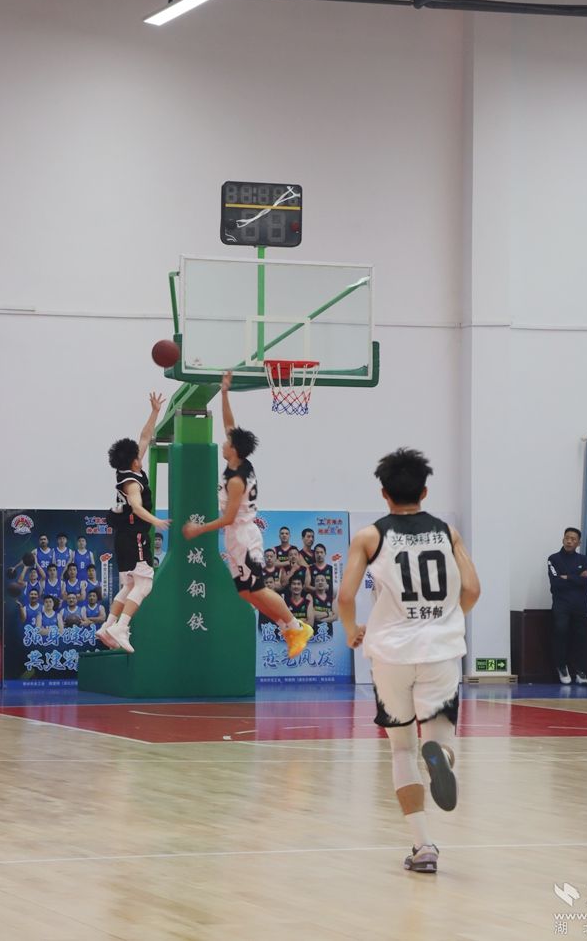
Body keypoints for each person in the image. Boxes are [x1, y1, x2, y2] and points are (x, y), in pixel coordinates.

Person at [338, 447, 480, 875]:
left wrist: (352, 630)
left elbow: (345, 596)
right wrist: (447, 620)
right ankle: (442, 757)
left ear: (384, 493)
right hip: (440, 652)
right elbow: (472, 590)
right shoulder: (447, 532)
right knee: (439, 739)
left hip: (391, 654)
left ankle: (423, 848)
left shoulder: (370, 536)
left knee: (401, 749)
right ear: (425, 491)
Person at [183, 371, 313, 660]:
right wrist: (224, 392)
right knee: (244, 592)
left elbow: (228, 519)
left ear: (234, 450)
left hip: (242, 535)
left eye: (227, 443)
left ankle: (295, 626)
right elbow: (230, 424)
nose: (224, 442)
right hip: (236, 537)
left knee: (257, 588)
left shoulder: (236, 480)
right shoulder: (238, 461)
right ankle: (287, 627)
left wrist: (198, 529)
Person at [96, 392, 171, 653]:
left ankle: (107, 626)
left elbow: (145, 436)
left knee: (129, 585)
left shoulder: (127, 469)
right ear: (134, 461)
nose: (141, 454)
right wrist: (156, 520)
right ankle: (122, 627)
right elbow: (137, 507)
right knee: (145, 584)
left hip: (123, 537)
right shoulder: (132, 482)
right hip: (134, 537)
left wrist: (155, 412)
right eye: (138, 455)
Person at [548, 527, 587, 685]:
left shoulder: (583, 560)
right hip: (561, 604)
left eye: (573, 539)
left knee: (581, 636)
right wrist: (577, 578)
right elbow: (555, 583)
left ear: (578, 543)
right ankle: (561, 666)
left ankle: (580, 669)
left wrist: (567, 577)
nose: (569, 541)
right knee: (561, 632)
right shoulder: (553, 559)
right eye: (567, 538)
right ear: (563, 539)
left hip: (580, 604)